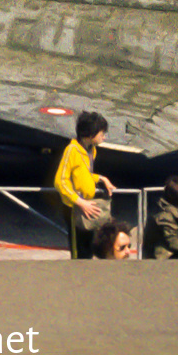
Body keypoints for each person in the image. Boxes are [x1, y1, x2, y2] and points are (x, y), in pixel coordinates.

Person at [54, 110, 115, 260]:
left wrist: (101, 178)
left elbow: (83, 175)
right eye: (102, 133)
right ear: (89, 134)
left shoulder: (91, 150)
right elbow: (60, 181)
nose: (104, 137)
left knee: (89, 248)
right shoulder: (72, 150)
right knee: (79, 252)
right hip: (75, 209)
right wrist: (80, 203)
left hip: (87, 206)